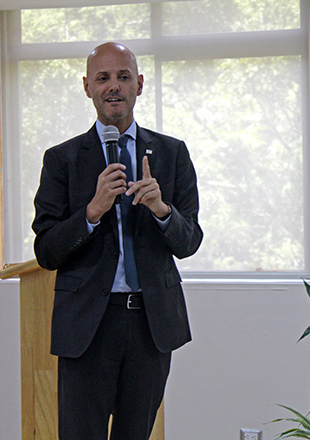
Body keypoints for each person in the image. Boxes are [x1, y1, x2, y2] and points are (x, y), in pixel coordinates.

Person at [32, 41, 203, 440]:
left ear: (139, 84)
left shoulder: (172, 153)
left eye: (123, 77)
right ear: (87, 86)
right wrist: (91, 212)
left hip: (150, 324)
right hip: (88, 326)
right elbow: (46, 251)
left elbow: (190, 240)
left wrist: (162, 210)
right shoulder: (62, 159)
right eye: (103, 78)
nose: (113, 86)